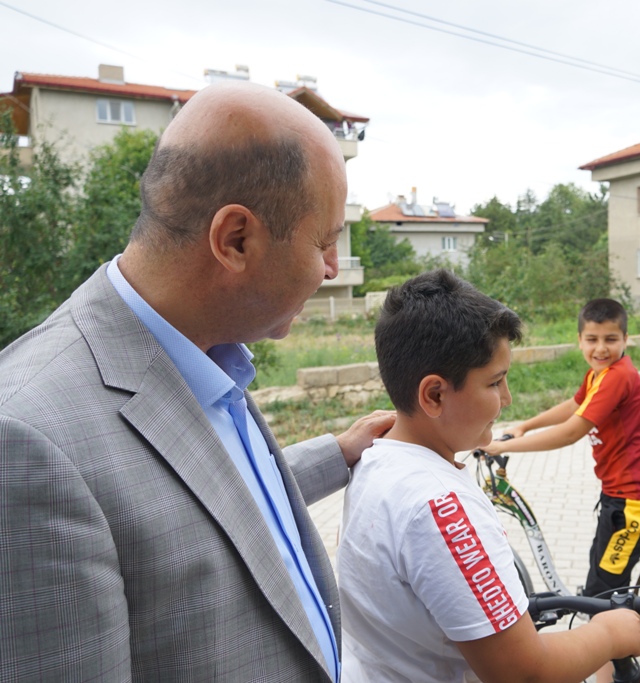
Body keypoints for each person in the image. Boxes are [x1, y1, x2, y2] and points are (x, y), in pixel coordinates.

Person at [0, 81, 395, 682]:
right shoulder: (29, 444)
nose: (331, 268)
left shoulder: (204, 353)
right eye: (324, 241)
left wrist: (337, 455)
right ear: (236, 239)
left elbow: (203, 492)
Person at [335, 271, 640, 683]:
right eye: (495, 382)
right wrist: (609, 634)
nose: (508, 398)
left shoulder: (372, 458)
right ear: (435, 395)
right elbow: (523, 671)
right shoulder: (440, 505)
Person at [482, 297, 640, 683]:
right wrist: (525, 425)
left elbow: (573, 431)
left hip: (638, 502)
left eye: (610, 339)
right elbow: (575, 406)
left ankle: (611, 672)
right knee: (599, 585)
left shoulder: (618, 376)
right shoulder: (601, 376)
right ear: (579, 340)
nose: (600, 348)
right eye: (592, 339)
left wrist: (501, 445)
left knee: (602, 599)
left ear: (626, 339)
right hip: (623, 496)